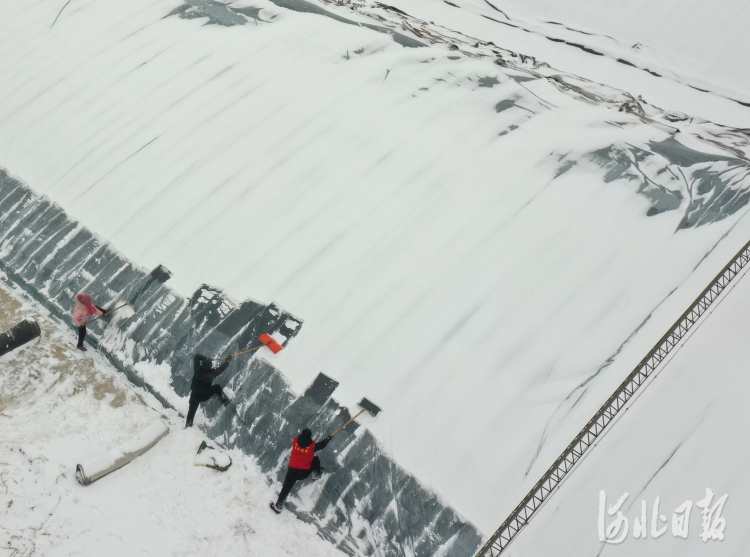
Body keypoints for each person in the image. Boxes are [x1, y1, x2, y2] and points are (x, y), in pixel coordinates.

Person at [270, 428, 331, 514]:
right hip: (304, 473)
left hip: (292, 470)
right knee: (316, 459)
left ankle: (278, 507)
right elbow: (321, 445)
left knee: (286, 488)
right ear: (310, 436)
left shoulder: (295, 441)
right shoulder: (312, 446)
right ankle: (316, 475)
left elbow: (300, 442)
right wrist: (328, 439)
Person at [185, 354, 232, 428]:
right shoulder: (212, 373)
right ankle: (225, 401)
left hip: (194, 395)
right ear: (210, 367)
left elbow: (196, 356)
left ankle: (188, 424)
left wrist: (206, 358)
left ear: (202, 365)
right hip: (204, 395)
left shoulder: (197, 369)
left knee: (191, 411)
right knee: (217, 387)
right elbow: (221, 369)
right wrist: (228, 361)